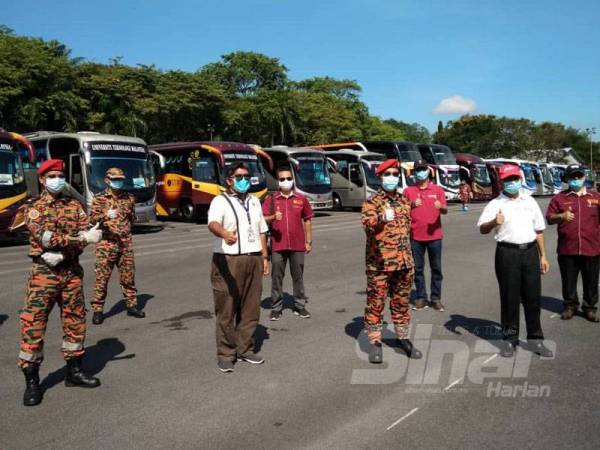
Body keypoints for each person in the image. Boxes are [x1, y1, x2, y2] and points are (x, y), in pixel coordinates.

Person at [19, 159, 103, 406]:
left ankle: (74, 371)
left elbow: (89, 234)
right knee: (34, 324)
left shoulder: (74, 205)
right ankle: (32, 381)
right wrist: (81, 239)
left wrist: (68, 251)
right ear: (42, 180)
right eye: (52, 175)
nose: (57, 179)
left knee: (75, 321)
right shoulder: (33, 208)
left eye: (60, 175)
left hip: (71, 272)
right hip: (44, 273)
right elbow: (46, 238)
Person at [477, 164, 553, 358]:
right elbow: (482, 229)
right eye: (508, 180)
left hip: (529, 253)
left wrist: (543, 255)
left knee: (532, 299)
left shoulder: (530, 201)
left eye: (514, 179)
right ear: (502, 182)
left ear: (520, 179)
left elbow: (539, 230)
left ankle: (536, 340)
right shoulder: (495, 204)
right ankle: (509, 340)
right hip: (507, 253)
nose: (512, 183)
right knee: (509, 298)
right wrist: (494, 221)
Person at [207, 163, 270, 373]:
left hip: (252, 258)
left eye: (246, 176)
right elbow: (212, 223)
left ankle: (245, 349)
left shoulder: (254, 201)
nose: (244, 179)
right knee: (227, 308)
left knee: (251, 307)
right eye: (239, 176)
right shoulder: (220, 201)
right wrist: (224, 233)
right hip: (228, 260)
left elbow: (262, 229)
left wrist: (264, 256)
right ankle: (226, 353)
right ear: (229, 180)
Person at [361, 159, 421, 363]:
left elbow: (408, 231)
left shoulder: (404, 201)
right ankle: (375, 342)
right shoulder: (372, 202)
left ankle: (403, 338)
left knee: (401, 303)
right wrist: (380, 220)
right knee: (375, 303)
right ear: (380, 177)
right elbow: (368, 227)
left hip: (404, 263)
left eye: (395, 174)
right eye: (388, 174)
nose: (392, 178)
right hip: (380, 264)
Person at [546, 164, 600, 322]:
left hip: (592, 248)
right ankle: (570, 306)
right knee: (568, 280)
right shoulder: (559, 198)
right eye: (573, 177)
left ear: (584, 177)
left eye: (579, 176)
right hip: (567, 249)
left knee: (591, 280)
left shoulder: (596, 197)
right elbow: (549, 218)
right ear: (567, 179)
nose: (576, 179)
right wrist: (561, 216)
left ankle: (590, 308)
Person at [90, 168, 145, 324]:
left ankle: (132, 305)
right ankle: (98, 310)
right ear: (107, 180)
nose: (118, 181)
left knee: (128, 277)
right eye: (115, 179)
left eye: (121, 178)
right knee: (102, 279)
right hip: (106, 245)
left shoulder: (129, 198)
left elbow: (131, 219)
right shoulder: (99, 199)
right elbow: (92, 220)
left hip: (125, 244)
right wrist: (105, 215)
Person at [262, 165, 314, 321]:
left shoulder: (301, 199)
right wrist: (272, 217)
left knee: (298, 276)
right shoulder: (271, 199)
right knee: (277, 276)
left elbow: (307, 219)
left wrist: (308, 241)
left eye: (288, 178)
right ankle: (276, 307)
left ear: (293, 180)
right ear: (278, 182)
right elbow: (261, 219)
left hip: (298, 245)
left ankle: (299, 305)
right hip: (278, 245)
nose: (286, 181)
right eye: (282, 179)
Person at [403, 160, 448, 311]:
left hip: (434, 236)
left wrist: (440, 207)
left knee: (436, 269)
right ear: (414, 172)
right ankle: (421, 297)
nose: (420, 172)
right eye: (417, 170)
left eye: (423, 169)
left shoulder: (438, 190)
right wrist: (411, 205)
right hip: (415, 236)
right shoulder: (408, 191)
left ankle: (435, 298)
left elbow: (445, 210)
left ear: (428, 171)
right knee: (418, 269)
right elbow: (401, 212)